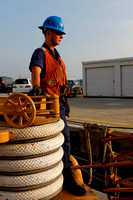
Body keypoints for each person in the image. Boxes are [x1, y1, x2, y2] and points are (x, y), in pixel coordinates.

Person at [28, 16, 86, 196]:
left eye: (62, 33)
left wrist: (65, 101)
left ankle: (62, 173)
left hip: (59, 102)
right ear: (48, 32)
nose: (61, 36)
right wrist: (36, 88)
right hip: (48, 106)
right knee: (62, 139)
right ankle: (66, 178)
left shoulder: (57, 56)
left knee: (63, 141)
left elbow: (59, 81)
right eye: (58, 33)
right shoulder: (40, 52)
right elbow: (36, 71)